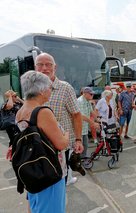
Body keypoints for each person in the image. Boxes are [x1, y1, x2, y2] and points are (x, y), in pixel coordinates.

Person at [16, 70, 69, 213]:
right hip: (49, 171)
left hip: (33, 169)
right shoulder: (42, 112)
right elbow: (61, 144)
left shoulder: (20, 111)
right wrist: (67, 134)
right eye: (50, 88)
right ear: (42, 90)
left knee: (36, 207)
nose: (50, 91)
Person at [35, 53, 83, 186]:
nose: (44, 68)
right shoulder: (32, 89)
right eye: (40, 64)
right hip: (39, 145)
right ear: (35, 67)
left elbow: (76, 115)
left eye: (48, 64)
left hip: (61, 146)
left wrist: (78, 139)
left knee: (60, 181)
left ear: (54, 67)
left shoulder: (65, 88)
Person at [77, 87, 99, 158]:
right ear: (85, 93)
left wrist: (98, 120)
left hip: (85, 128)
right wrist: (92, 123)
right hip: (79, 129)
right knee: (80, 147)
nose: (92, 96)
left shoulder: (88, 101)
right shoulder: (79, 101)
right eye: (91, 94)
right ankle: (79, 161)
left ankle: (84, 160)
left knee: (85, 146)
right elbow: (81, 116)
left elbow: (92, 112)